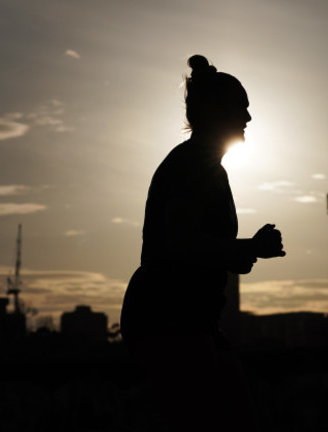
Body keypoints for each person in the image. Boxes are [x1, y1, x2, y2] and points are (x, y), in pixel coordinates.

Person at [120, 54, 285, 432]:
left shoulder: (203, 166)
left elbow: (203, 249)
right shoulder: (192, 167)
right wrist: (248, 248)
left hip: (187, 321)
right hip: (169, 321)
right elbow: (183, 245)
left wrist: (246, 251)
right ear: (215, 112)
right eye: (240, 108)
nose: (248, 118)